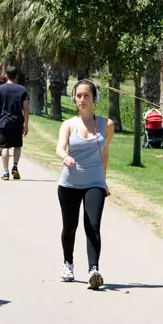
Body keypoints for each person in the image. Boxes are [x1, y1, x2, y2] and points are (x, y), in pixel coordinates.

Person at [55, 79, 115, 290]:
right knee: (70, 227)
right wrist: (65, 157)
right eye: (78, 96)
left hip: (95, 183)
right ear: (74, 98)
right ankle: (68, 263)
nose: (82, 100)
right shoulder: (69, 124)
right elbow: (60, 147)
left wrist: (104, 180)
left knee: (93, 226)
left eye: (86, 96)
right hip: (70, 183)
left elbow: (104, 153)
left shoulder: (106, 125)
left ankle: (93, 270)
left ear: (94, 98)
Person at [0, 66, 29, 180]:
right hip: (17, 122)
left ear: (6, 75)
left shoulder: (0, 89)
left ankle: (6, 171)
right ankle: (15, 166)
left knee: (5, 147)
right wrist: (26, 124)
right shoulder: (23, 90)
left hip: (4, 122)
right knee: (17, 145)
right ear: (17, 76)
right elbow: (26, 108)